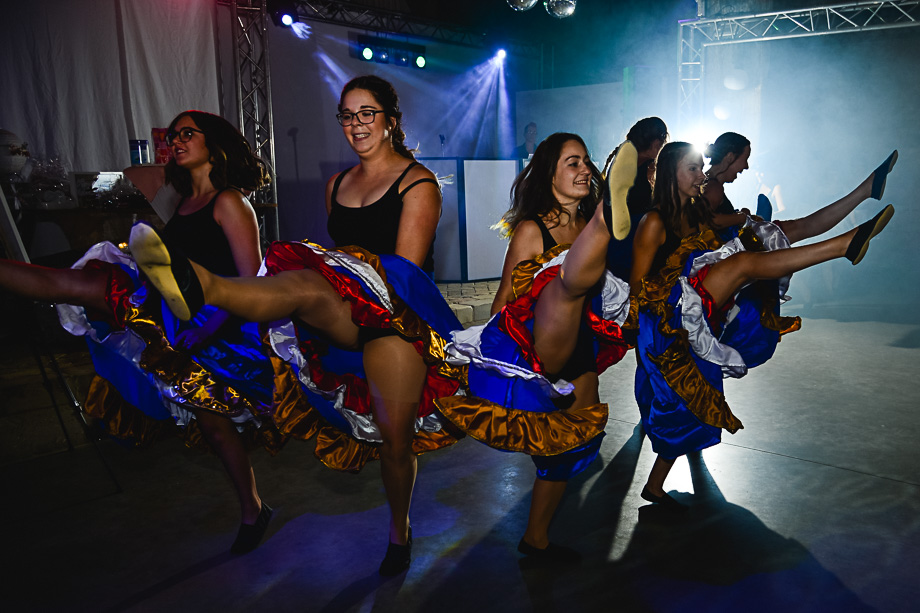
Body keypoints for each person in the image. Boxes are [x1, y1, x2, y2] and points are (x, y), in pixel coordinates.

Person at [130, 75, 461, 577]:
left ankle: (400, 529)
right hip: (339, 310)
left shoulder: (418, 183)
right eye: (347, 116)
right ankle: (204, 286)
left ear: (391, 121)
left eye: (367, 113)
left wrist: (335, 278)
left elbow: (401, 275)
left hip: (396, 316)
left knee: (395, 445)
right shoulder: (337, 185)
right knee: (302, 281)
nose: (356, 125)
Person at [0, 110, 277, 553]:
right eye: (172, 136)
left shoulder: (230, 202)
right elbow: (138, 171)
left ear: (215, 142)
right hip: (174, 316)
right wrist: (174, 156)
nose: (176, 141)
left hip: (220, 326)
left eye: (188, 134)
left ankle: (252, 508)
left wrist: (206, 330)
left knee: (217, 428)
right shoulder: (182, 202)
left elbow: (251, 282)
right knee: (76, 283)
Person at [629, 141, 895, 511]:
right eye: (692, 169)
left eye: (700, 168)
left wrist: (744, 221)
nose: (701, 175)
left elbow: (721, 225)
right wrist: (679, 294)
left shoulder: (694, 212)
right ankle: (844, 245)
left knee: (692, 405)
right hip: (667, 319)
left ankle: (654, 487)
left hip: (697, 310)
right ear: (672, 172)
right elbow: (639, 288)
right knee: (742, 266)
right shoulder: (654, 221)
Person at [435, 133, 638, 561]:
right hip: (537, 345)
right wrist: (493, 357)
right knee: (561, 284)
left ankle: (536, 538)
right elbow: (505, 297)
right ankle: (610, 213)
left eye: (587, 161)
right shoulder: (533, 229)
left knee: (571, 442)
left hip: (579, 344)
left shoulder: (580, 225)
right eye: (572, 162)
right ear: (549, 174)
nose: (584, 169)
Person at [703, 131, 898, 245]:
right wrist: (740, 218)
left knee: (806, 225)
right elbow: (710, 222)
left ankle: (865, 191)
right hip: (740, 249)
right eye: (744, 160)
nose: (745, 167)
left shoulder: (711, 184)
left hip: (742, 243)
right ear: (730, 157)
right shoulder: (712, 187)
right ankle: (863, 195)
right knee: (806, 226)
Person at [603, 117, 669, 280]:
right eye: (662, 141)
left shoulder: (635, 161)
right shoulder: (629, 164)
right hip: (624, 244)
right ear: (655, 141)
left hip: (625, 240)